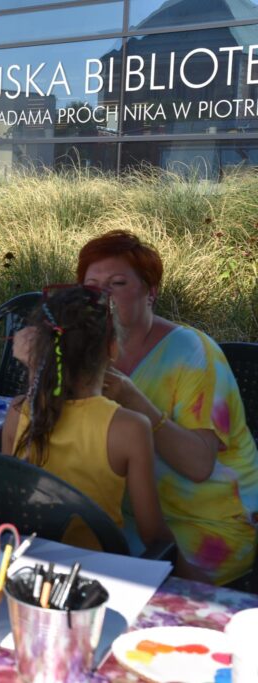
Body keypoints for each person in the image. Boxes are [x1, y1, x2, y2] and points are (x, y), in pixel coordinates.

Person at [78, 230, 258, 585]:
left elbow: (199, 465)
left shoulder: (192, 353)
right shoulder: (86, 352)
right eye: (91, 286)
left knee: (99, 574)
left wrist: (133, 399)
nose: (102, 297)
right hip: (133, 515)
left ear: (151, 292)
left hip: (208, 523)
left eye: (117, 284)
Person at [1, 285, 174, 552]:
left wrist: (36, 367)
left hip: (27, 560)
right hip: (98, 567)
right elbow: (153, 535)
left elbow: (9, 504)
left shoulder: (18, 411)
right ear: (112, 348)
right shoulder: (130, 428)